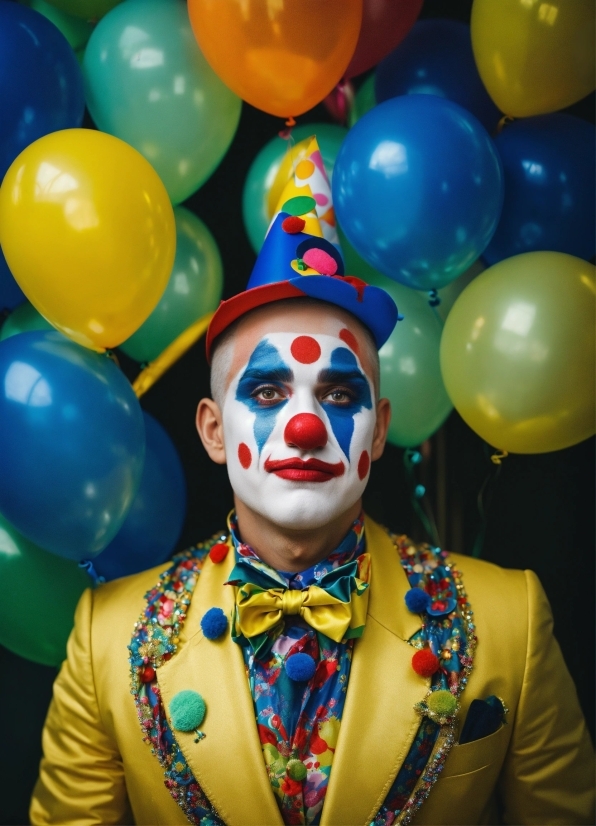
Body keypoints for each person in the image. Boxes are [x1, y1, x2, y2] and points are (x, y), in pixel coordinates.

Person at [30, 197, 594, 826]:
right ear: (214, 432)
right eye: (268, 391)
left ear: (377, 433)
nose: (304, 426)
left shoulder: (508, 622)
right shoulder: (105, 638)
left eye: (339, 393)